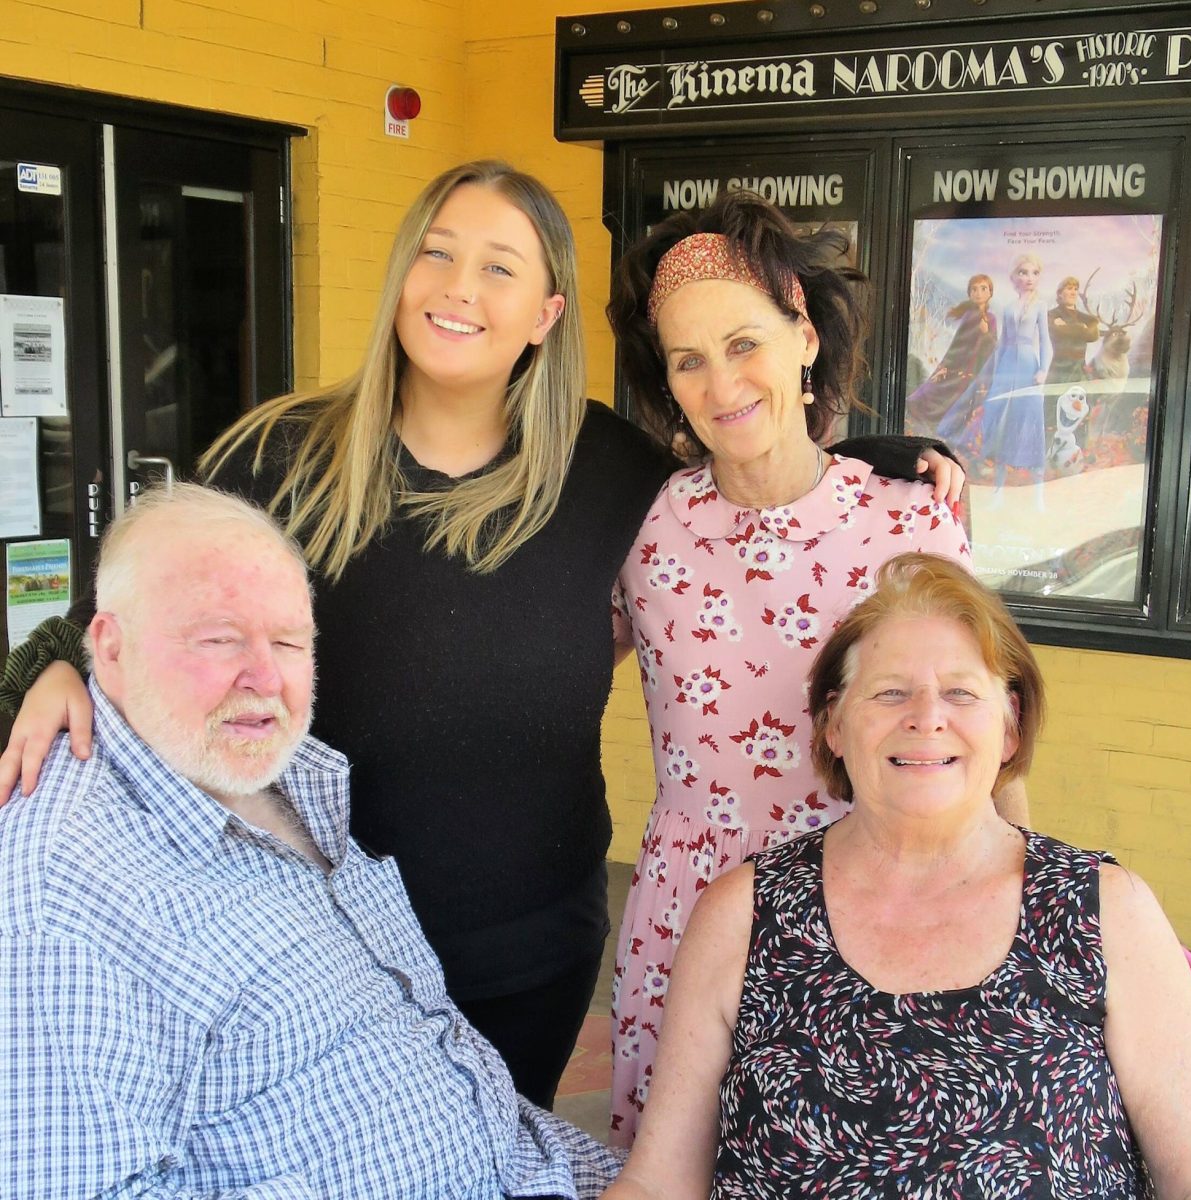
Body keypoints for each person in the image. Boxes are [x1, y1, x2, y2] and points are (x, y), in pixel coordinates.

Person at [0, 160, 960, 1107]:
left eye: (499, 266)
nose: (460, 288)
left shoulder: (607, 472)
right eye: (437, 253)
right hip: (324, 943)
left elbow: (757, 471)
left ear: (546, 314)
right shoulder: (281, 453)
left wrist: (888, 461)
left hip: (532, 949)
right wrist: (52, 669)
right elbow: (132, 606)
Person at [0, 484, 620, 1200]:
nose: (266, 678)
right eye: (218, 638)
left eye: (290, 641)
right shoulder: (63, 896)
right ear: (108, 648)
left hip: (533, 1164)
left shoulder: (288, 776)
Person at [604, 552, 1191, 1199]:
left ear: (1009, 726)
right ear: (833, 723)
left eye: (961, 692)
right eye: (890, 691)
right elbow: (660, 1181)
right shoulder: (742, 914)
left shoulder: (1107, 914)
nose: (925, 717)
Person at [603, 193, 992, 1145]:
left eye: (744, 344)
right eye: (686, 360)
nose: (719, 383)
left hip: (878, 910)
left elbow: (979, 735)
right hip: (688, 920)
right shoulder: (639, 525)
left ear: (802, 337)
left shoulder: (909, 518)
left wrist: (1014, 902)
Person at [982, 252, 1053, 504]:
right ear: (1015, 277)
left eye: (1034, 273)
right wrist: (995, 373)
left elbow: (1046, 342)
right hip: (1007, 368)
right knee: (1003, 421)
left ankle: (1038, 494)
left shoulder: (1040, 306)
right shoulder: (1008, 307)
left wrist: (1043, 369)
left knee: (1030, 420)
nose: (1029, 278)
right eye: (1023, 272)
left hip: (1028, 368)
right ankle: (998, 490)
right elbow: (1002, 343)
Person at [905, 273, 997, 438]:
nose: (978, 293)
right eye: (974, 289)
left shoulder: (991, 319)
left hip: (979, 368)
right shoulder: (969, 316)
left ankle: (960, 434)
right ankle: (938, 429)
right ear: (969, 293)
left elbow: (993, 346)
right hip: (960, 366)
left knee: (969, 402)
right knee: (945, 397)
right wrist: (945, 367)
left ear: (990, 292)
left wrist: (985, 333)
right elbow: (958, 345)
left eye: (983, 288)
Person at [1044, 273, 1100, 444]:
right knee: (1053, 409)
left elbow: (1093, 335)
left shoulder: (1087, 318)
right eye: (1069, 289)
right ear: (1060, 294)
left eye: (1075, 289)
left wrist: (1070, 327)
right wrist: (1080, 329)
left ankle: (1079, 451)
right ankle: (1049, 451)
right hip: (1059, 369)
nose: (1073, 292)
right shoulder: (1051, 315)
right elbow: (1056, 331)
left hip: (1079, 369)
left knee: (1080, 409)